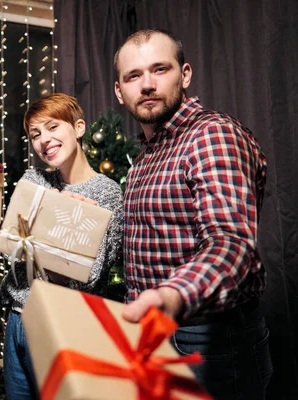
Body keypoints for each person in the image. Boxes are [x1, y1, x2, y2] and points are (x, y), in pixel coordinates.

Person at [113, 29, 272, 398]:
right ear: (120, 91)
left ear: (185, 75)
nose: (147, 84)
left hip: (208, 341)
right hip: (155, 335)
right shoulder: (145, 156)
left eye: (160, 69)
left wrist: (171, 296)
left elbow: (231, 244)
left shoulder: (211, 135)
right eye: (133, 76)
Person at [0, 93, 124, 399]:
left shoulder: (107, 193)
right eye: (35, 134)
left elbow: (88, 276)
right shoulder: (35, 180)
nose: (44, 140)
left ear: (79, 127)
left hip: (66, 324)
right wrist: (61, 230)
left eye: (53, 127)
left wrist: (60, 228)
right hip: (18, 319)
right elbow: (13, 247)